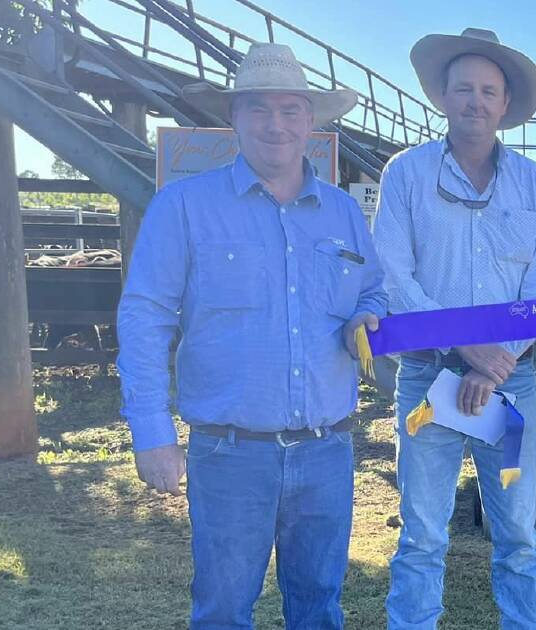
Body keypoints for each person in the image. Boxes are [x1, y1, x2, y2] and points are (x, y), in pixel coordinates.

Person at [116, 43, 385, 628]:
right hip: (227, 452)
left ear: (311, 123)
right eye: (258, 108)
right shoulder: (183, 207)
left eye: (291, 109)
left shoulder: (343, 213)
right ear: (233, 118)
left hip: (327, 448)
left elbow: (373, 293)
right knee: (223, 612)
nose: (276, 124)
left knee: (318, 608)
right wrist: (151, 432)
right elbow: (144, 319)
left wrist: (367, 319)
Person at [373, 28, 536, 629]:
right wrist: (463, 350)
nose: (475, 101)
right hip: (429, 381)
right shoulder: (406, 173)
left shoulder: (533, 182)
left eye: (488, 90)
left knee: (519, 535)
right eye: (463, 89)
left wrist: (492, 361)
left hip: (508, 389)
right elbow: (392, 276)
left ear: (505, 104)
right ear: (442, 97)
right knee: (422, 533)